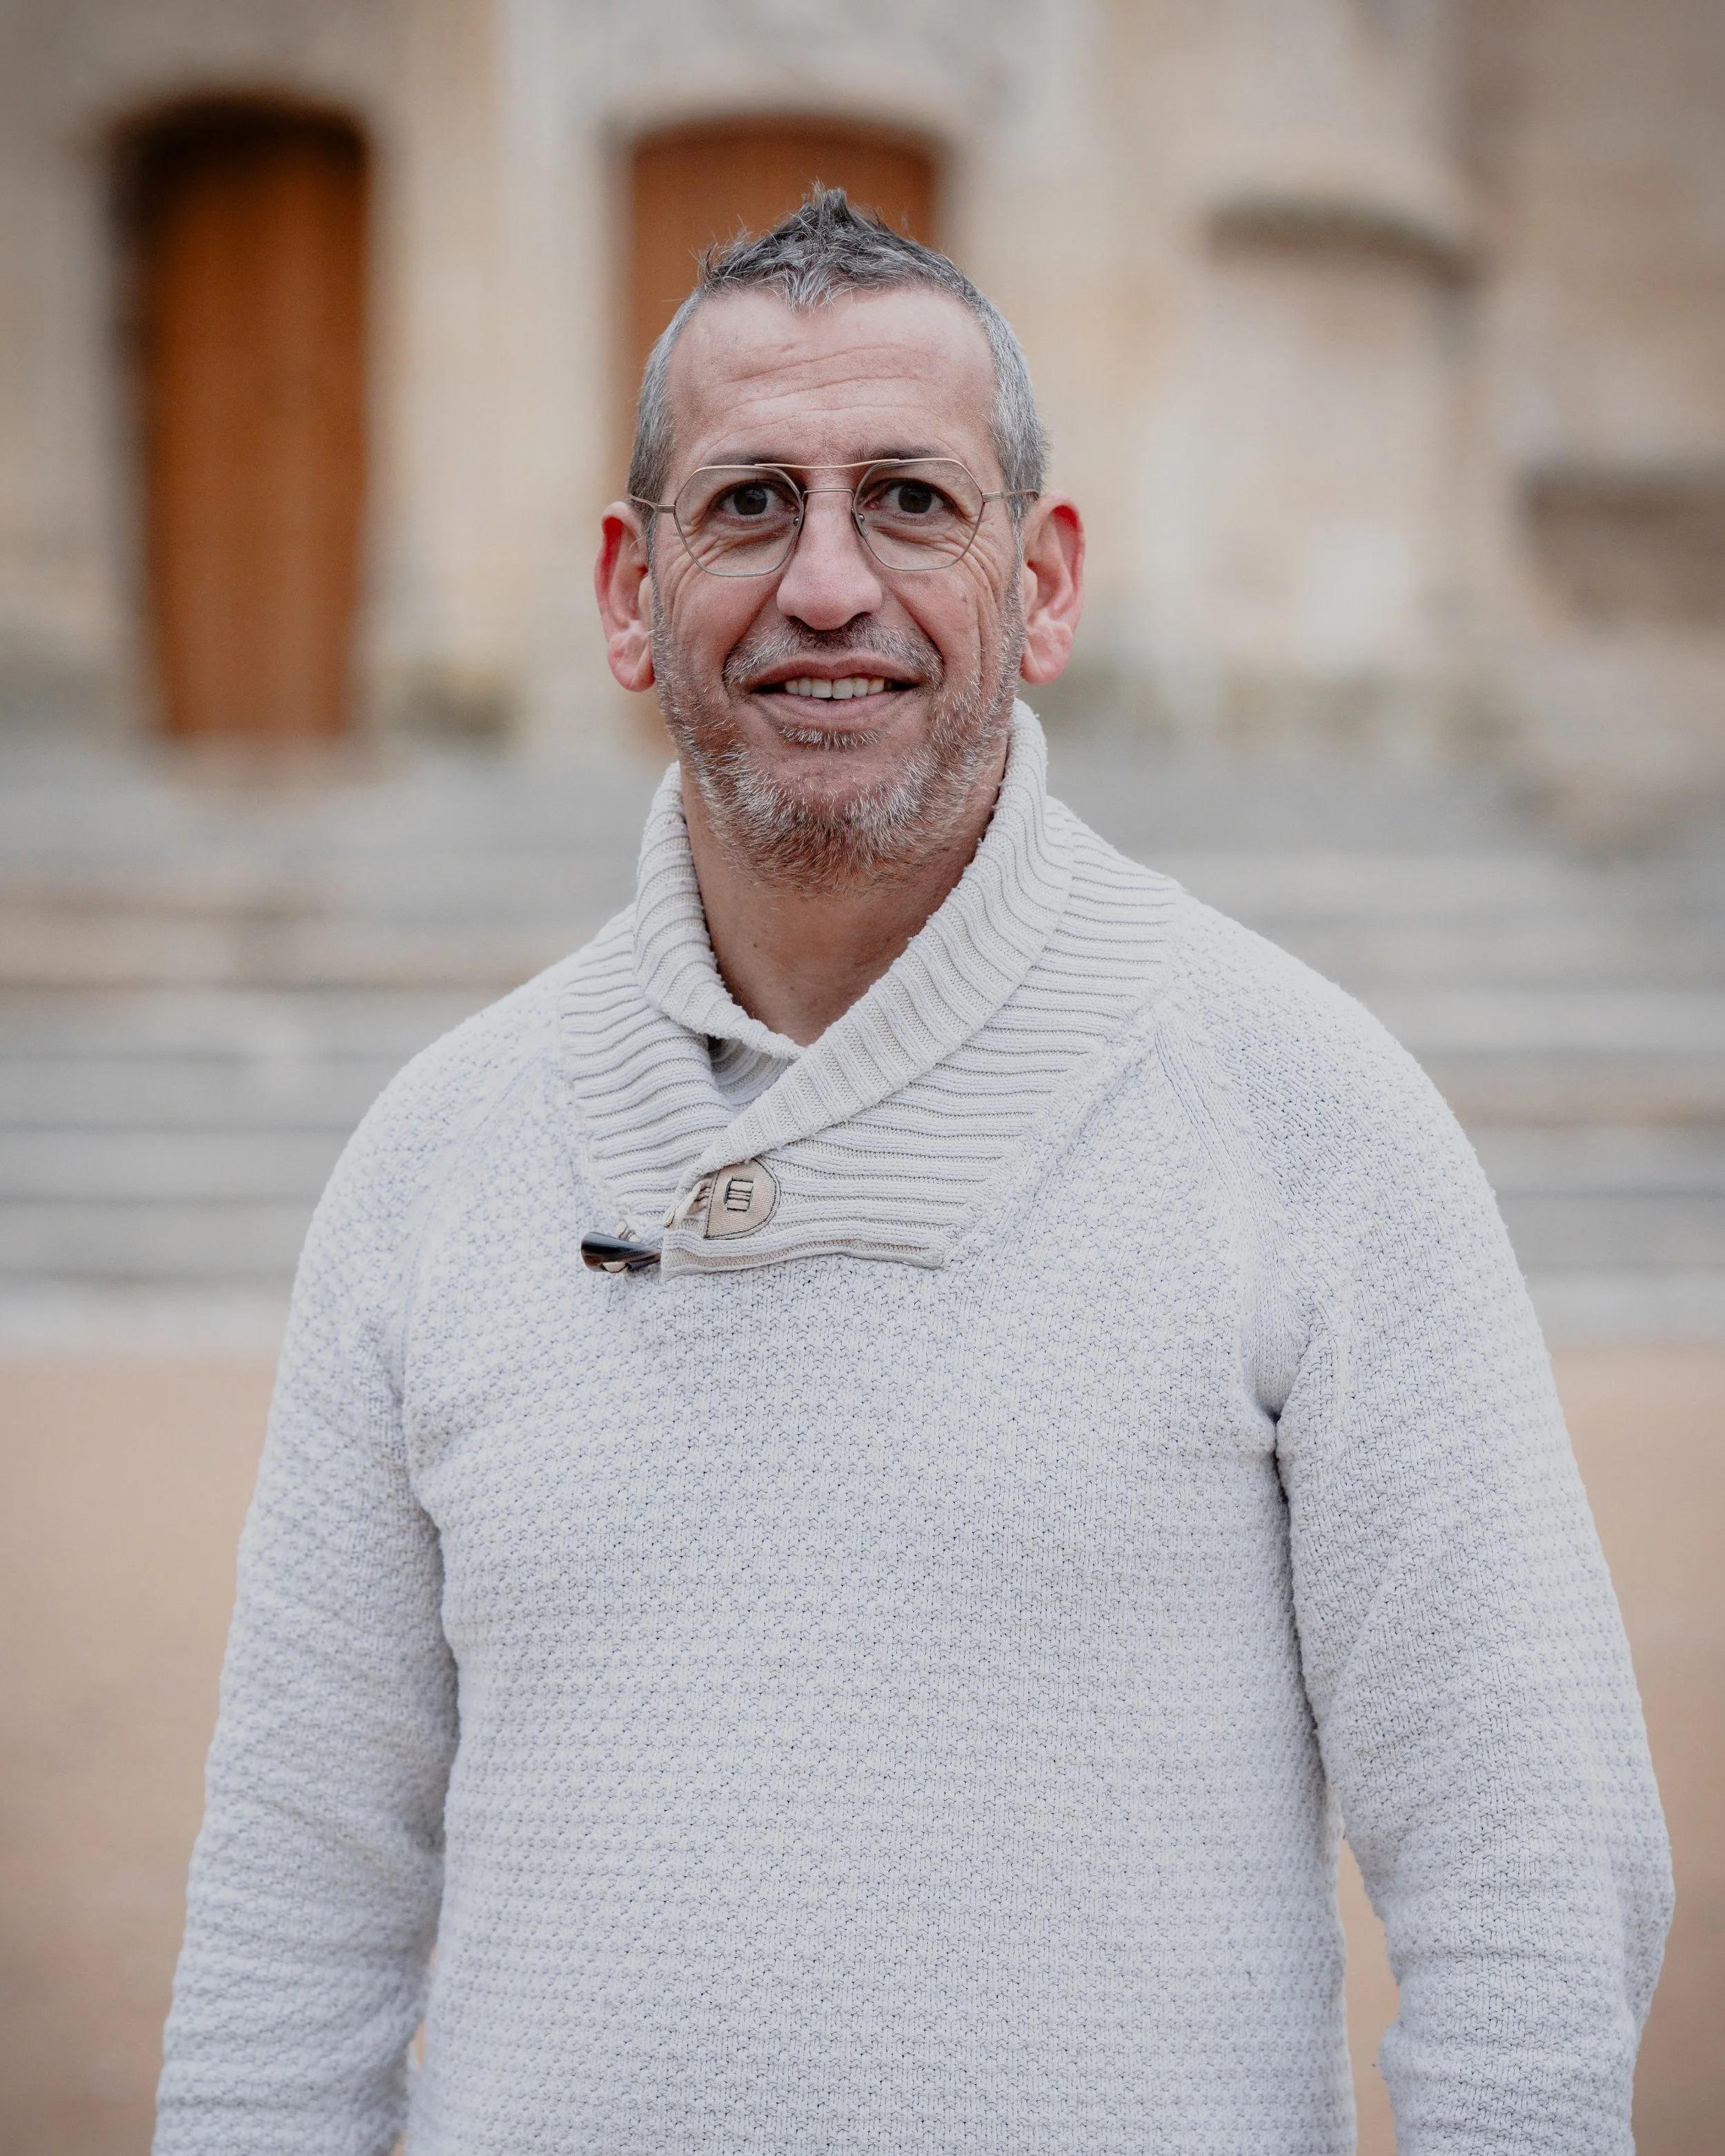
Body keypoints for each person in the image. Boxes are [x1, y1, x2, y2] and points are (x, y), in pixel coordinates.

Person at [155, 190, 1670, 2156]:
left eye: (911, 500)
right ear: (628, 589)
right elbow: (295, 1908)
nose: (827, 585)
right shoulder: (433, 1158)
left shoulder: (1307, 1116)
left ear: (1044, 581)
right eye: (747, 504)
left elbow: (1524, 1886)